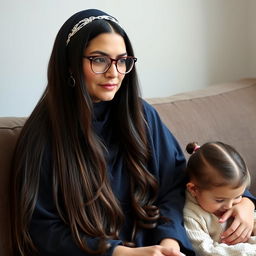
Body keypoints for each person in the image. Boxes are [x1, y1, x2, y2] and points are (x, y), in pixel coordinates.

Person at [9, 8, 254, 256]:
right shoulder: (43, 136)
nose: (114, 72)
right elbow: (43, 229)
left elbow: (178, 182)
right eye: (99, 59)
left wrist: (172, 240)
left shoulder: (140, 115)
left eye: (122, 60)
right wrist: (119, 253)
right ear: (70, 65)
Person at [183, 141, 256, 256]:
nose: (229, 206)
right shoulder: (191, 216)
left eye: (237, 196)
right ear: (193, 189)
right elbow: (207, 252)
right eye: (220, 200)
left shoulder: (240, 204)